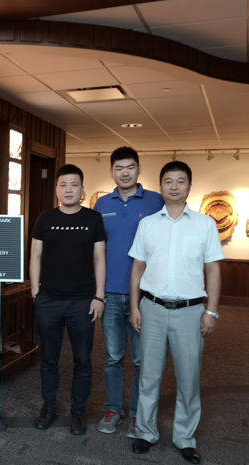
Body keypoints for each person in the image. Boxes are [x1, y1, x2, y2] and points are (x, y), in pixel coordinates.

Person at [128, 161, 223, 464]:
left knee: (188, 379)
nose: (174, 186)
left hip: (190, 312)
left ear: (189, 186)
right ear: (161, 186)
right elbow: (137, 269)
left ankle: (185, 438)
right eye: (168, 181)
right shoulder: (148, 224)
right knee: (148, 377)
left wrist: (211, 312)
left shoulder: (205, 224)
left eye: (180, 181)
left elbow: (213, 270)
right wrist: (134, 307)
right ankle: (145, 433)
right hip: (151, 309)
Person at [30, 164, 107, 436]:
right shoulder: (45, 218)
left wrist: (99, 296)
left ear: (82, 189)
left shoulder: (93, 219)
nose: (69, 189)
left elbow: (100, 258)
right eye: (63, 185)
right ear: (57, 190)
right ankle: (49, 407)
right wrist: (35, 292)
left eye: (74, 184)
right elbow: (35, 255)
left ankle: (78, 412)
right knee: (49, 359)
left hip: (82, 302)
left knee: (82, 361)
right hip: (49, 300)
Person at [93, 147, 164, 438]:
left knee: (141, 360)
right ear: (111, 171)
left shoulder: (156, 200)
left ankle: (137, 413)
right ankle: (114, 409)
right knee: (113, 357)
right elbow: (96, 249)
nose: (125, 172)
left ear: (139, 169)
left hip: (144, 295)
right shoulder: (101, 204)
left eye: (130, 167)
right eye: (119, 168)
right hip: (110, 293)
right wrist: (97, 292)